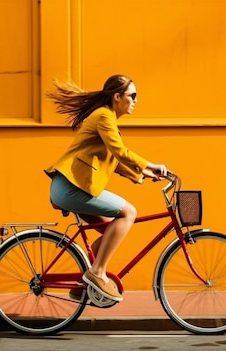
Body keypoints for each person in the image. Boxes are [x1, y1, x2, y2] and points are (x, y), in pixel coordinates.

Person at [44, 74, 168, 302]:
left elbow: (113, 158)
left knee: (110, 230)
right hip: (71, 188)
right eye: (133, 95)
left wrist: (141, 174)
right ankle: (97, 272)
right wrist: (151, 164)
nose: (136, 100)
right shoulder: (103, 117)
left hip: (72, 186)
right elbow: (120, 151)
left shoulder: (106, 118)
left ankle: (83, 285)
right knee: (129, 213)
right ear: (117, 96)